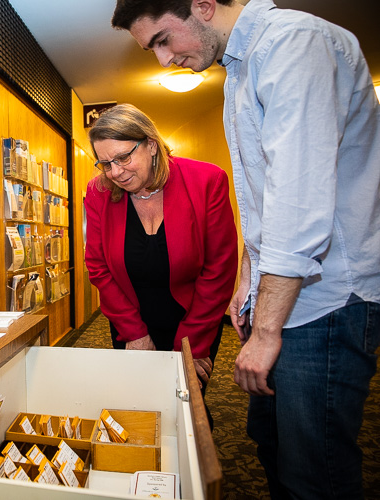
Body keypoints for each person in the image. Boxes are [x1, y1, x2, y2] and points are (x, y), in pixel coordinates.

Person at [112, 1, 380, 497]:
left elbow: (299, 200)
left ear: (203, 6)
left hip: (324, 302)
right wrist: (248, 282)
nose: (163, 61)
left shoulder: (293, 43)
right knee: (272, 443)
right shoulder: (240, 67)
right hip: (285, 298)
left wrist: (267, 328)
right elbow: (264, 202)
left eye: (164, 40)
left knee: (312, 467)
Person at [84, 103, 237, 395]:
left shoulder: (206, 181)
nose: (115, 172)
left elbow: (219, 270)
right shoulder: (99, 191)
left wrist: (191, 342)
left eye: (123, 157)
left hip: (195, 321)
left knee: (186, 403)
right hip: (130, 320)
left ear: (151, 145)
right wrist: (134, 333)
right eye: (105, 163)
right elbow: (98, 267)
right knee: (138, 401)